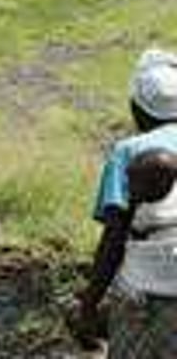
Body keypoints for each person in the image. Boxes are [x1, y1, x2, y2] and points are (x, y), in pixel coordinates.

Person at [72, 49, 177, 357]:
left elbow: (114, 238)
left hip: (148, 292)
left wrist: (89, 304)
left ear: (136, 108)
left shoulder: (128, 151)